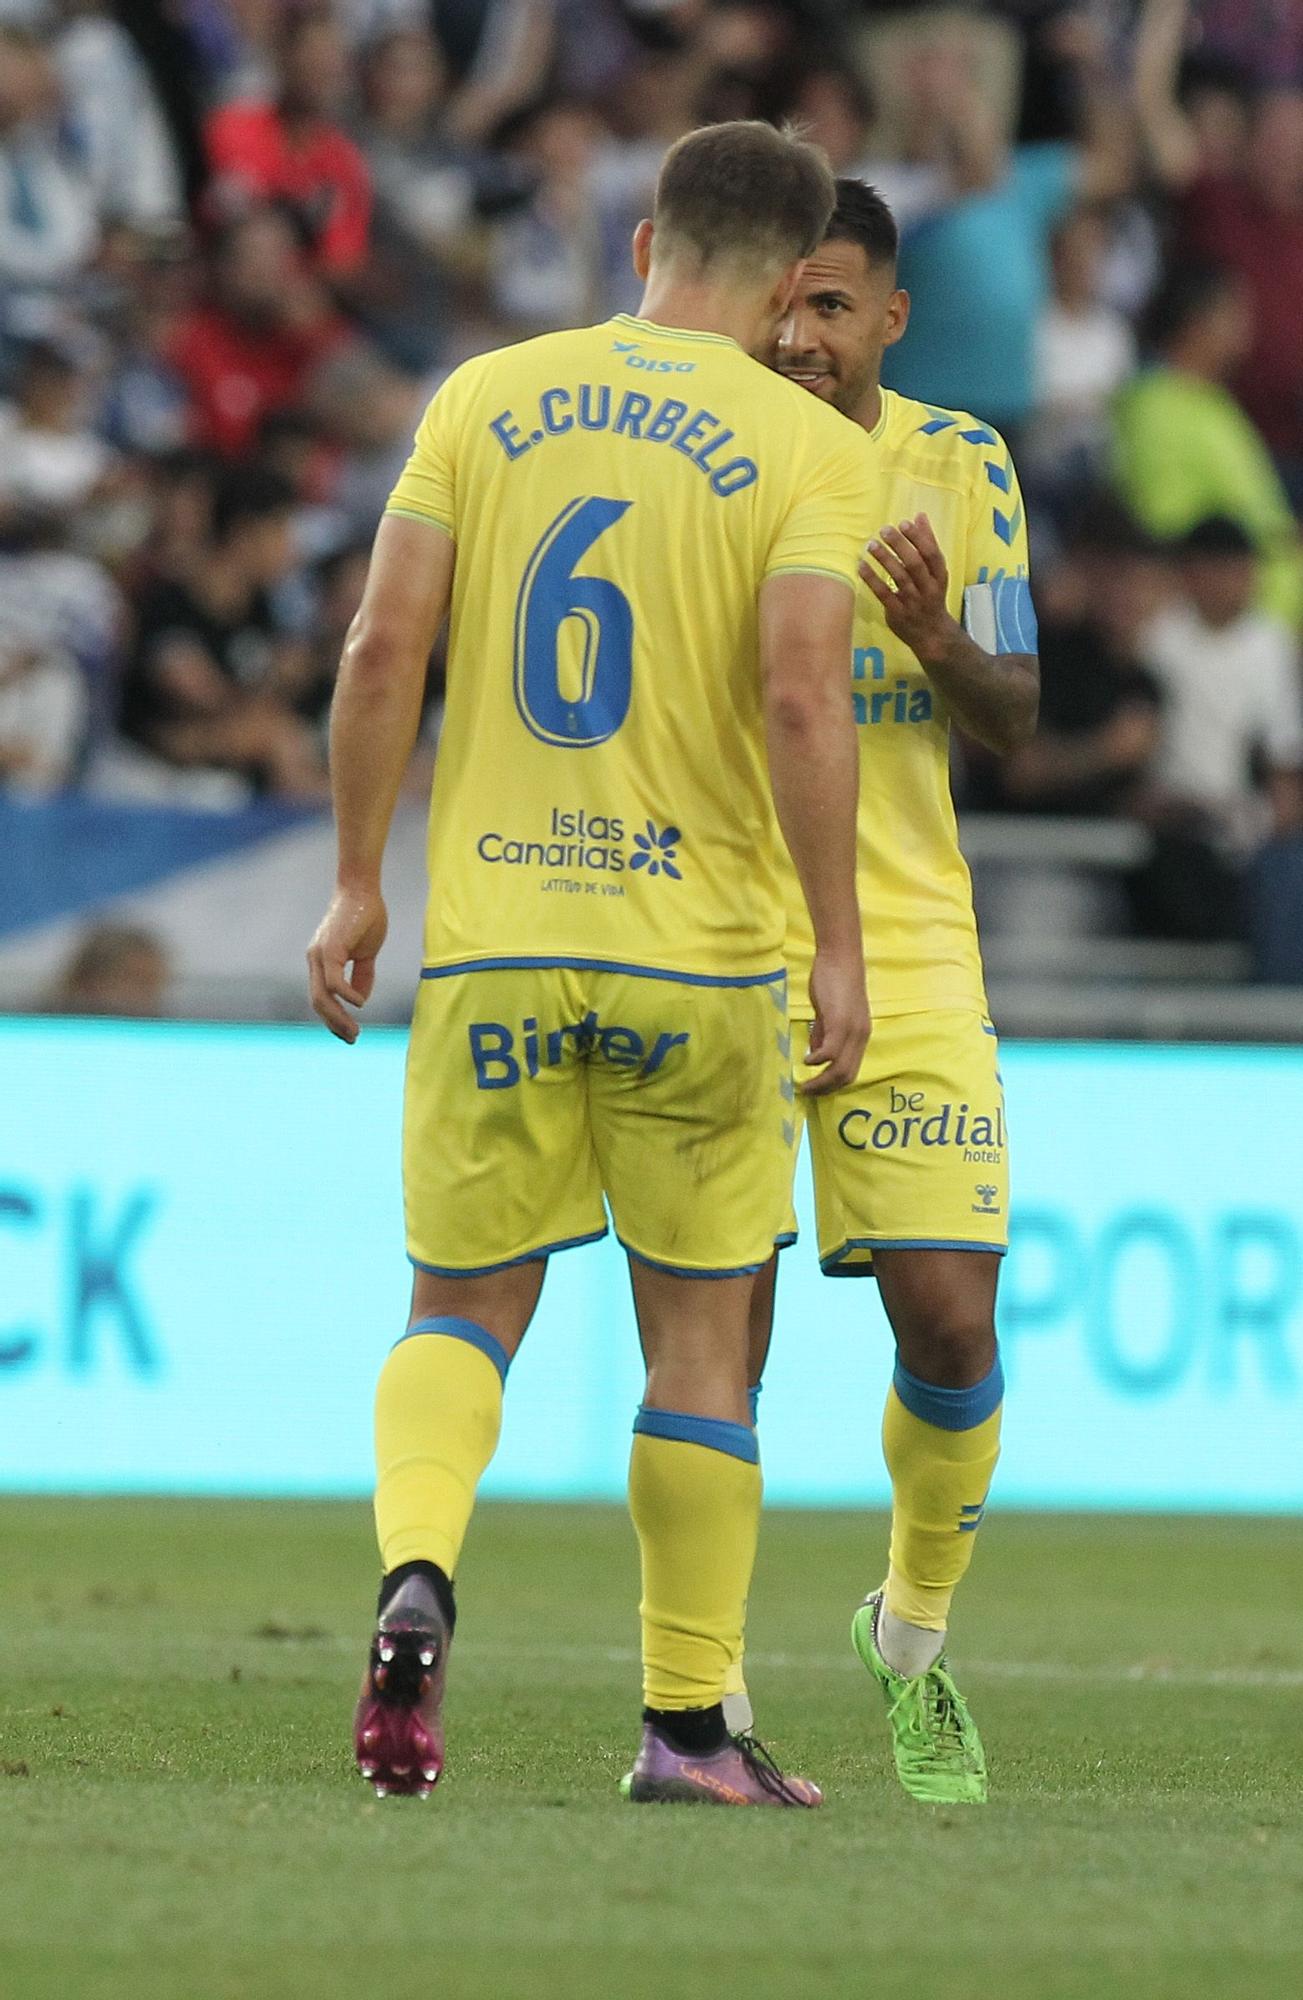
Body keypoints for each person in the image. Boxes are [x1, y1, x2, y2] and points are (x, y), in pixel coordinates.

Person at [306, 121, 873, 1808]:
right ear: (791, 286)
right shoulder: (809, 445)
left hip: (496, 941)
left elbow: (380, 644)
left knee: (459, 1306)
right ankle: (686, 1733)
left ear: (642, 247)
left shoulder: (485, 397)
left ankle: (419, 1572)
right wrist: (838, 941)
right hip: (698, 964)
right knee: (697, 1346)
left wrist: (354, 881)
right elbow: (796, 697)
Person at [733, 179, 1040, 1807]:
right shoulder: (700, 455)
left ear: (890, 318)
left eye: (831, 306)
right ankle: (692, 1706)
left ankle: (906, 1637)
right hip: (716, 930)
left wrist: (931, 638)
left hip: (907, 943)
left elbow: (1011, 717)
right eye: (782, 304)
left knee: (950, 1320)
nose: (800, 335)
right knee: (723, 1339)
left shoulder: (958, 465)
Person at [1111, 262, 1303, 630]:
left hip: (1271, 626)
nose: (1248, 326)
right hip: (1223, 632)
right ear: (1198, 321)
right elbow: (1165, 528)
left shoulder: (1213, 400)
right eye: (1235, 313)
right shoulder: (1154, 407)